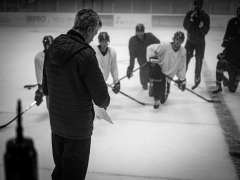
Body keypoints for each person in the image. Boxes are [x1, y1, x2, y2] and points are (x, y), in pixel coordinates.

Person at [41, 8, 110, 180]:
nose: (94, 37)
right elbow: (101, 97)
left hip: (56, 124)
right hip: (77, 129)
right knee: (73, 175)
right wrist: (105, 101)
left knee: (60, 170)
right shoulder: (86, 55)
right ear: (88, 30)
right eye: (94, 32)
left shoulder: (54, 46)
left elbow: (46, 87)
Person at [146, 31, 187, 110]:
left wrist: (182, 81)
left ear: (182, 41)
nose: (178, 41)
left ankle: (153, 89)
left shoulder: (182, 51)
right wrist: (150, 59)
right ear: (174, 39)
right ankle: (156, 99)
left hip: (168, 76)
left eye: (180, 40)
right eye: (177, 39)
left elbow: (182, 67)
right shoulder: (165, 45)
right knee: (157, 76)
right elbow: (150, 48)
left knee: (163, 100)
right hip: (159, 69)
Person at [183, 0, 210, 89]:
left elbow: (205, 31)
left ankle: (197, 78)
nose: (197, 6)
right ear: (194, 4)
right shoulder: (189, 14)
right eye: (196, 4)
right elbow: (185, 26)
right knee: (185, 59)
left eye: (199, 4)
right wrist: (191, 20)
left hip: (200, 43)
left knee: (199, 60)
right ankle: (182, 77)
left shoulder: (205, 16)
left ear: (202, 5)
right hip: (190, 42)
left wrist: (200, 23)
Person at [127, 23, 160, 90]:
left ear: (144, 31)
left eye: (141, 31)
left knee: (154, 83)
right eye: (138, 32)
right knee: (144, 85)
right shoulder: (132, 41)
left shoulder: (150, 36)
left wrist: (155, 57)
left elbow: (159, 45)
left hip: (153, 64)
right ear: (136, 32)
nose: (140, 33)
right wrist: (130, 69)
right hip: (143, 66)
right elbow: (132, 57)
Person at [212, 29, 240, 94]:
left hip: (238, 69)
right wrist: (221, 55)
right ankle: (218, 86)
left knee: (232, 89)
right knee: (220, 63)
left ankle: (227, 81)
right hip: (229, 64)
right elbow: (225, 52)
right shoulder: (232, 41)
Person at [34, 35, 54, 109]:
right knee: (51, 108)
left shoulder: (59, 54)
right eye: (47, 44)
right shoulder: (39, 58)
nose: (48, 46)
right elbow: (39, 74)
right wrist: (40, 89)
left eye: (50, 44)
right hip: (49, 84)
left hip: (59, 84)